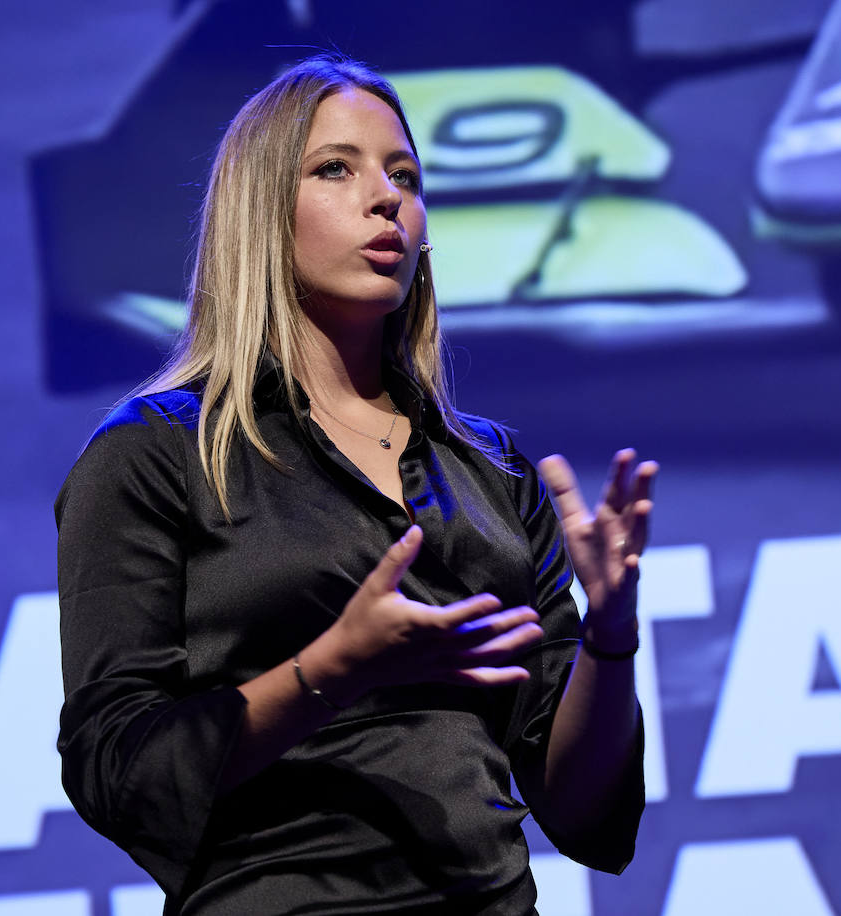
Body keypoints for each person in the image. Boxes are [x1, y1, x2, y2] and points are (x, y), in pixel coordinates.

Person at [54, 54, 656, 915]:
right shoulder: (154, 457)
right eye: (336, 168)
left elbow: (581, 806)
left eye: (404, 175)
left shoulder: (492, 470)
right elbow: (119, 768)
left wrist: (611, 636)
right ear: (262, 214)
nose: (387, 200)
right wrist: (334, 667)